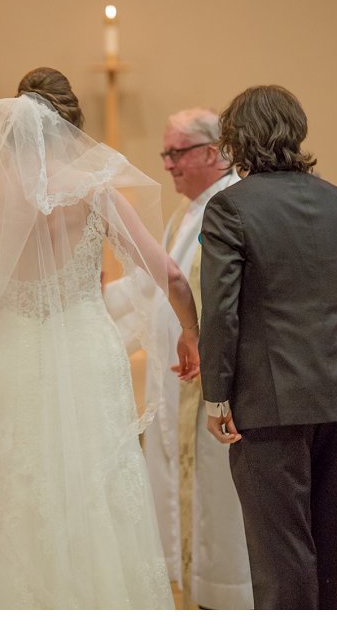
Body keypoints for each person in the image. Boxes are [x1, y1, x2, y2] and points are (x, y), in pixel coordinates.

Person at [0, 67, 195, 608]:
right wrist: (190, 328)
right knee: (97, 484)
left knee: (25, 492)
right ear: (72, 124)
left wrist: (14, 323)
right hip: (87, 347)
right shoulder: (95, 191)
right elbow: (171, 275)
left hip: (19, 356)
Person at [200, 84, 337, 609]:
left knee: (281, 556)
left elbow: (222, 310)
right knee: (327, 547)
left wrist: (217, 395)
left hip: (266, 401)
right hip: (334, 397)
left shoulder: (229, 207)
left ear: (237, 140)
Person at [108, 108, 250, 608]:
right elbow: (154, 285)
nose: (167, 164)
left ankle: (229, 598)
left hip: (217, 390)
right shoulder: (187, 213)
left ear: (212, 152)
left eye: (176, 153)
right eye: (165, 153)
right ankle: (202, 593)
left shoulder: (231, 208)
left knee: (221, 507)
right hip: (179, 384)